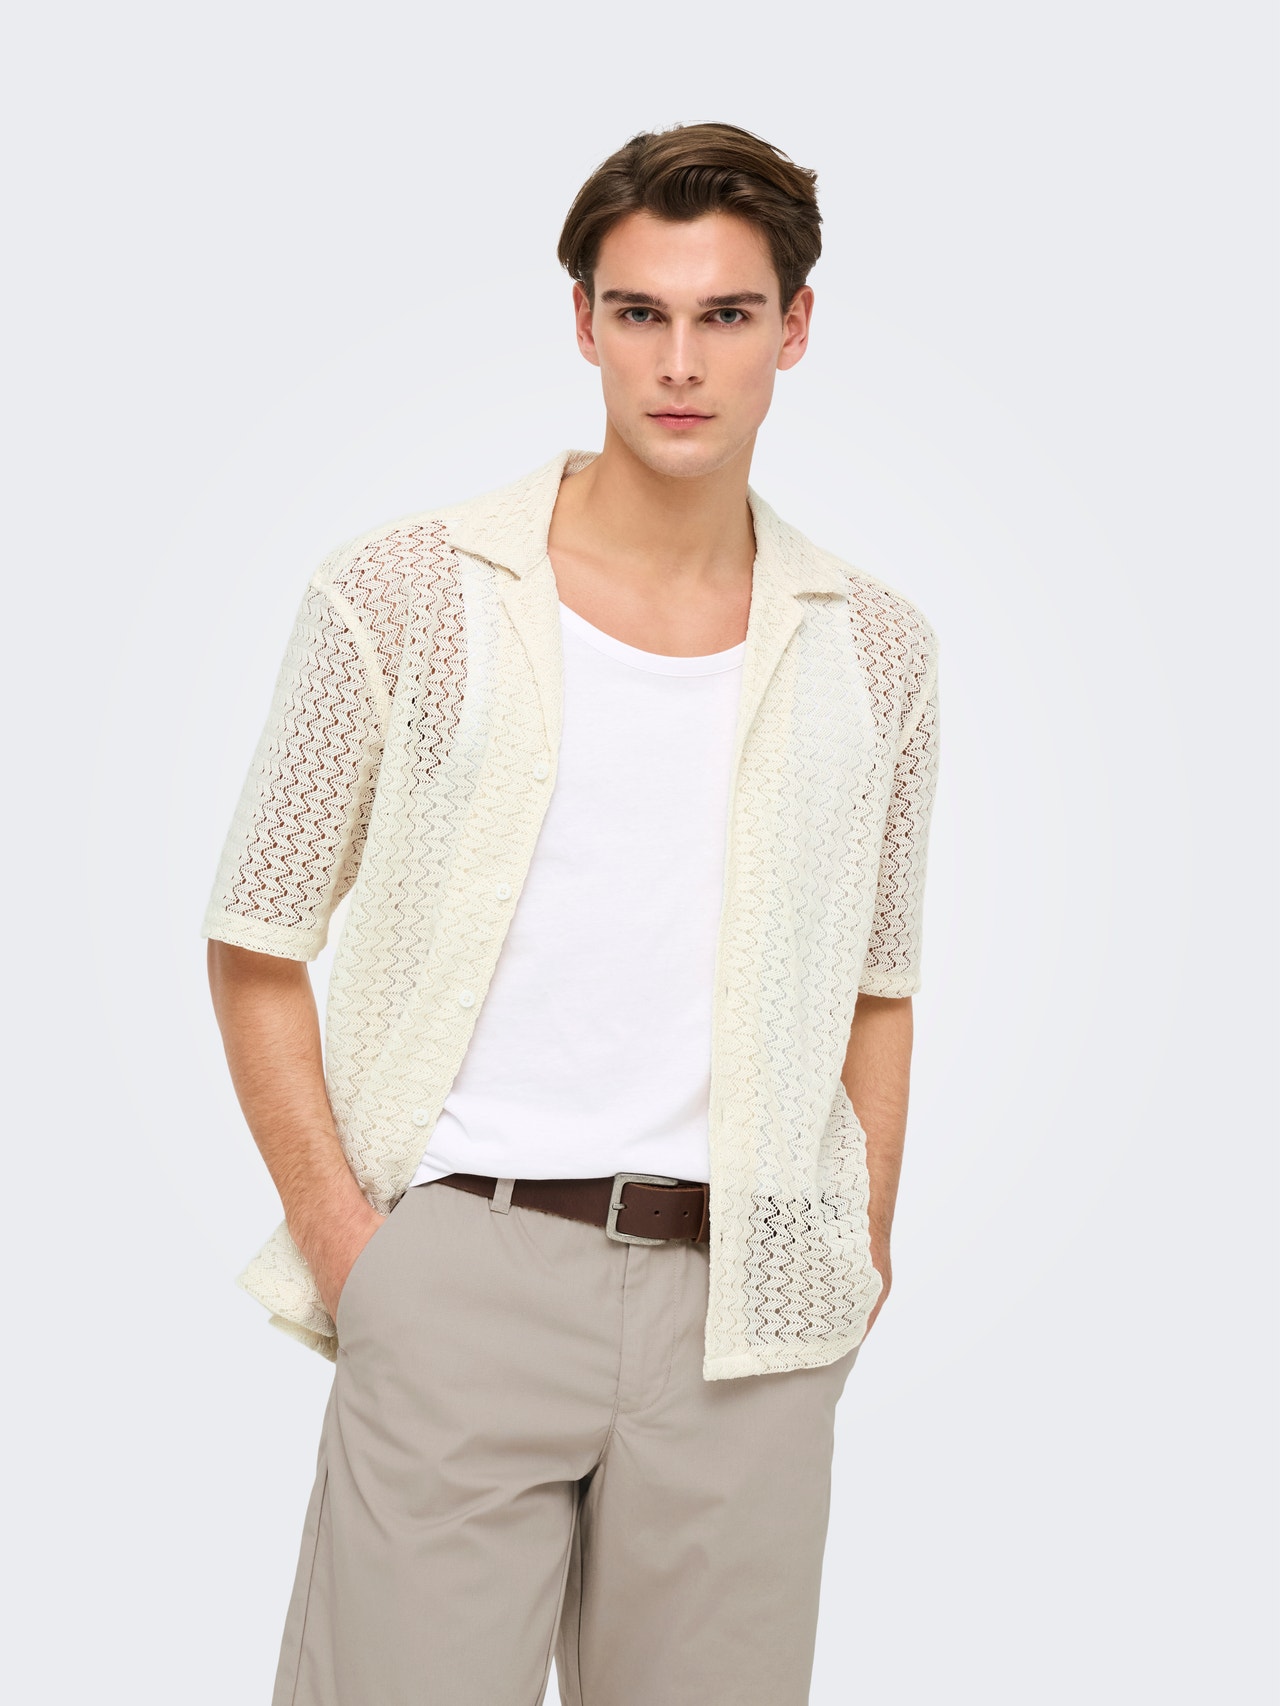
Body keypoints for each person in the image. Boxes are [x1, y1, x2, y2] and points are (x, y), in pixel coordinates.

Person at [202, 120, 942, 1706]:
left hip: (749, 1312)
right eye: (640, 312)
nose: (680, 361)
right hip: (461, 1273)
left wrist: (858, 1246)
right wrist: (355, 1254)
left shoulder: (877, 647)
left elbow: (881, 985)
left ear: (795, 329)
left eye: (727, 315)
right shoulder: (404, 592)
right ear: (586, 321)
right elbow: (256, 938)